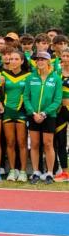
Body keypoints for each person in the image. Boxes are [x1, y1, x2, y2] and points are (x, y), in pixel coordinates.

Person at [24, 51, 63, 184]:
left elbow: (57, 100)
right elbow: (26, 97)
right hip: (33, 116)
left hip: (49, 116)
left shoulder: (56, 78)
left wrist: (44, 113)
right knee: (34, 144)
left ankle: (50, 173)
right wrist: (33, 112)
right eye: (37, 60)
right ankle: (36, 171)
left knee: (48, 144)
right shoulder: (30, 77)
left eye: (42, 59)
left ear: (48, 61)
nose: (39, 62)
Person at [2, 50, 30, 182]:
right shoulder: (2, 75)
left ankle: (23, 171)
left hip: (22, 112)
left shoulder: (29, 76)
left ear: (22, 61)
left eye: (16, 59)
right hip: (7, 111)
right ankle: (12, 171)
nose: (13, 61)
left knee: (22, 142)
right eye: (11, 59)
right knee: (10, 142)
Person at [55, 48, 69, 181]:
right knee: (61, 141)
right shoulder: (57, 72)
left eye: (67, 56)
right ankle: (65, 172)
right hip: (61, 111)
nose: (65, 58)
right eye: (63, 56)